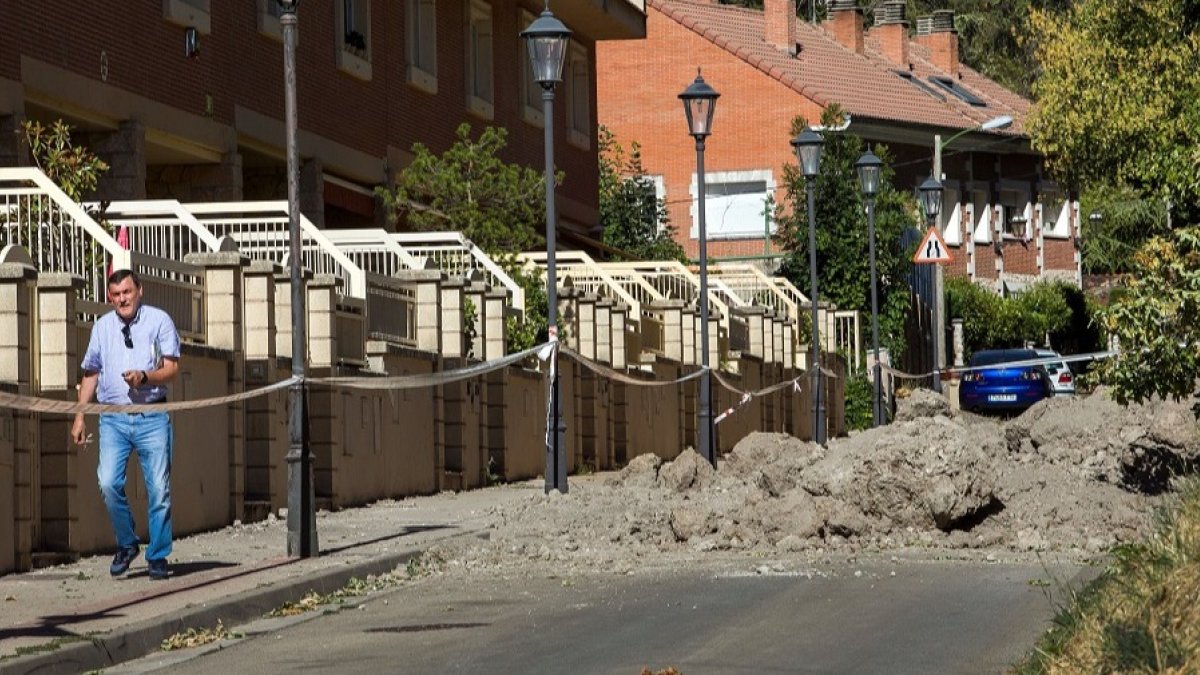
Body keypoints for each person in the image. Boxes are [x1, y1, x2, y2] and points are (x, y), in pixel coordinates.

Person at [71, 269, 181, 580]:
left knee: (159, 489)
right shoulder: (102, 327)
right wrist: (80, 416)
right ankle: (127, 543)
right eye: (116, 294)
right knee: (107, 482)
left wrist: (145, 377)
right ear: (110, 297)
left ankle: (157, 556)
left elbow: (172, 369)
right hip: (113, 419)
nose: (122, 299)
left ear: (139, 291)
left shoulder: (159, 321)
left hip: (152, 416)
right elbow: (91, 373)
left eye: (127, 292)